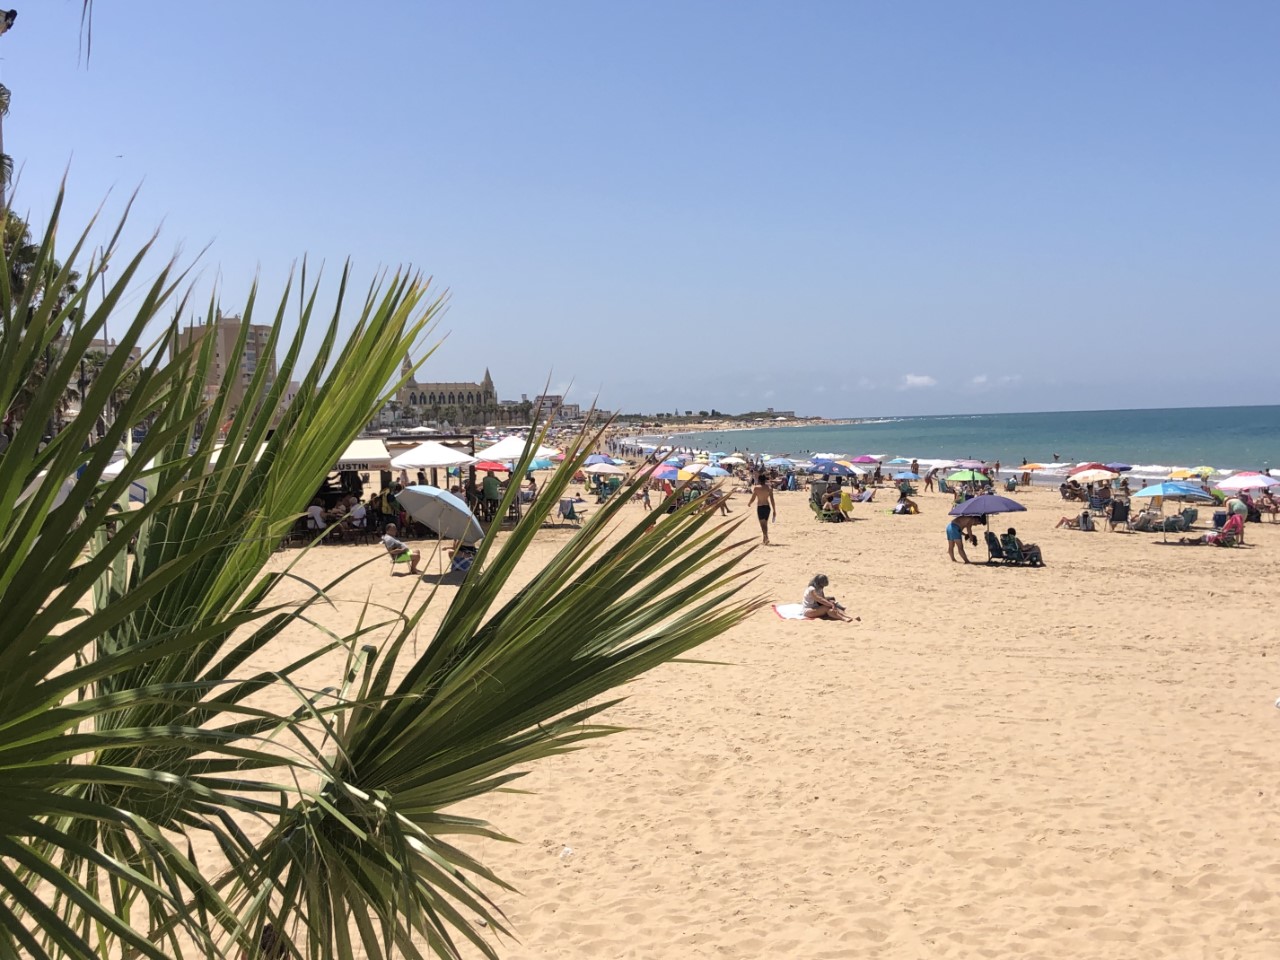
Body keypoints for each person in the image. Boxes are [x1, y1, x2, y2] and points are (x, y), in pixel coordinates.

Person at [748, 472, 777, 544]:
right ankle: (764, 539)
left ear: (759, 480)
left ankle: (766, 537)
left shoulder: (756, 488)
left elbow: (753, 498)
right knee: (765, 524)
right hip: (767, 507)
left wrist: (749, 503)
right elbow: (772, 500)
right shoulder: (769, 488)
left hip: (760, 507)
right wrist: (774, 510)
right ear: (765, 480)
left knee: (762, 524)